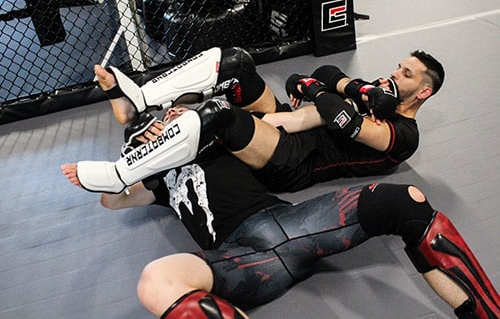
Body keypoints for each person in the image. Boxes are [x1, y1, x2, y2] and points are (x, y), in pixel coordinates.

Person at [61, 106, 499, 318]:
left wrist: (194, 121)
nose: (157, 136)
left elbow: (267, 130)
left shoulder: (217, 140)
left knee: (405, 199)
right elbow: (112, 199)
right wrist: (123, 169)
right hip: (241, 259)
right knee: (156, 281)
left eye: (161, 130)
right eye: (147, 138)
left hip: (295, 224)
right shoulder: (157, 186)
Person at [74, 46, 444, 194]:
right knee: (235, 63)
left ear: (423, 93)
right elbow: (324, 73)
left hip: (296, 162)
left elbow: (340, 117)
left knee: (218, 115)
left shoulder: (403, 135)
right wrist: (339, 88)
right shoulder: (376, 96)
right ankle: (138, 100)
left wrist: (316, 89)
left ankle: (122, 174)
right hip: (290, 123)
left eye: (407, 75)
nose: (395, 74)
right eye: (399, 66)